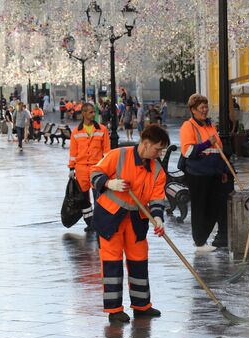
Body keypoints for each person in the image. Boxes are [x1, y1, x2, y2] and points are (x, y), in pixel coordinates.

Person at [90, 124, 169, 323]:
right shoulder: (118, 155)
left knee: (139, 261)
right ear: (145, 143)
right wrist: (109, 183)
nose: (160, 153)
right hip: (110, 218)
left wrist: (158, 217)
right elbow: (94, 173)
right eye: (158, 148)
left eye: (162, 150)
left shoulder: (157, 169)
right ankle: (114, 310)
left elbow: (157, 197)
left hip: (137, 219)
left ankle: (142, 306)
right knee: (112, 262)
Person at [179, 93, 228, 252]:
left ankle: (202, 238)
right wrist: (207, 143)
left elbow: (217, 149)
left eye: (206, 107)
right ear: (193, 110)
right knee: (200, 208)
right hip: (198, 174)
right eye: (202, 108)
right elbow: (188, 151)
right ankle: (199, 241)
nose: (205, 110)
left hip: (213, 172)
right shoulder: (188, 126)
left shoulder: (209, 125)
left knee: (215, 206)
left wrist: (223, 170)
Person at [69, 103, 111, 232]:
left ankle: (98, 221)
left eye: (94, 112)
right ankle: (89, 222)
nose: (93, 114)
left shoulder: (102, 129)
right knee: (84, 199)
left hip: (96, 168)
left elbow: (107, 151)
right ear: (83, 113)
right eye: (91, 112)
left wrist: (107, 168)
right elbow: (73, 152)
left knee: (98, 196)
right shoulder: (76, 131)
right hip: (81, 169)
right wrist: (71, 168)